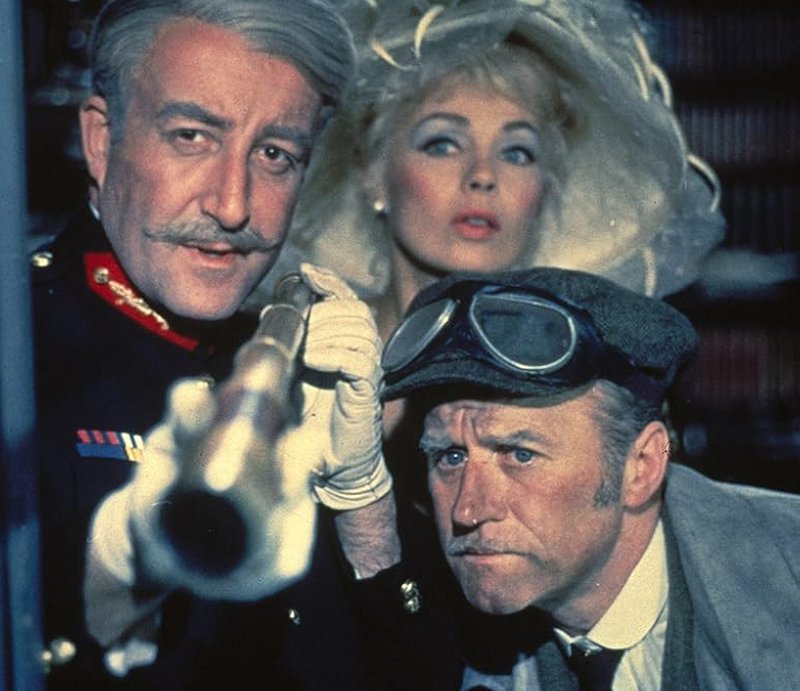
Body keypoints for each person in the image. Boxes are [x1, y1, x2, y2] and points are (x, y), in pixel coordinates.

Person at [31, 1, 401, 688]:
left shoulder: (287, 361)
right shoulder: (21, 351)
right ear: (102, 141)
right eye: (192, 137)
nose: (233, 205)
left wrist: (363, 501)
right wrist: (133, 557)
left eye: (275, 154)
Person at [374, 266, 800, 690]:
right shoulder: (464, 638)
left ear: (642, 466)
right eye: (450, 457)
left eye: (521, 455)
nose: (467, 511)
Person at [259, 0, 724, 346]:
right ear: (372, 172)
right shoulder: (295, 359)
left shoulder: (582, 391)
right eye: (443, 144)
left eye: (517, 153)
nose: (483, 176)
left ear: (545, 187)